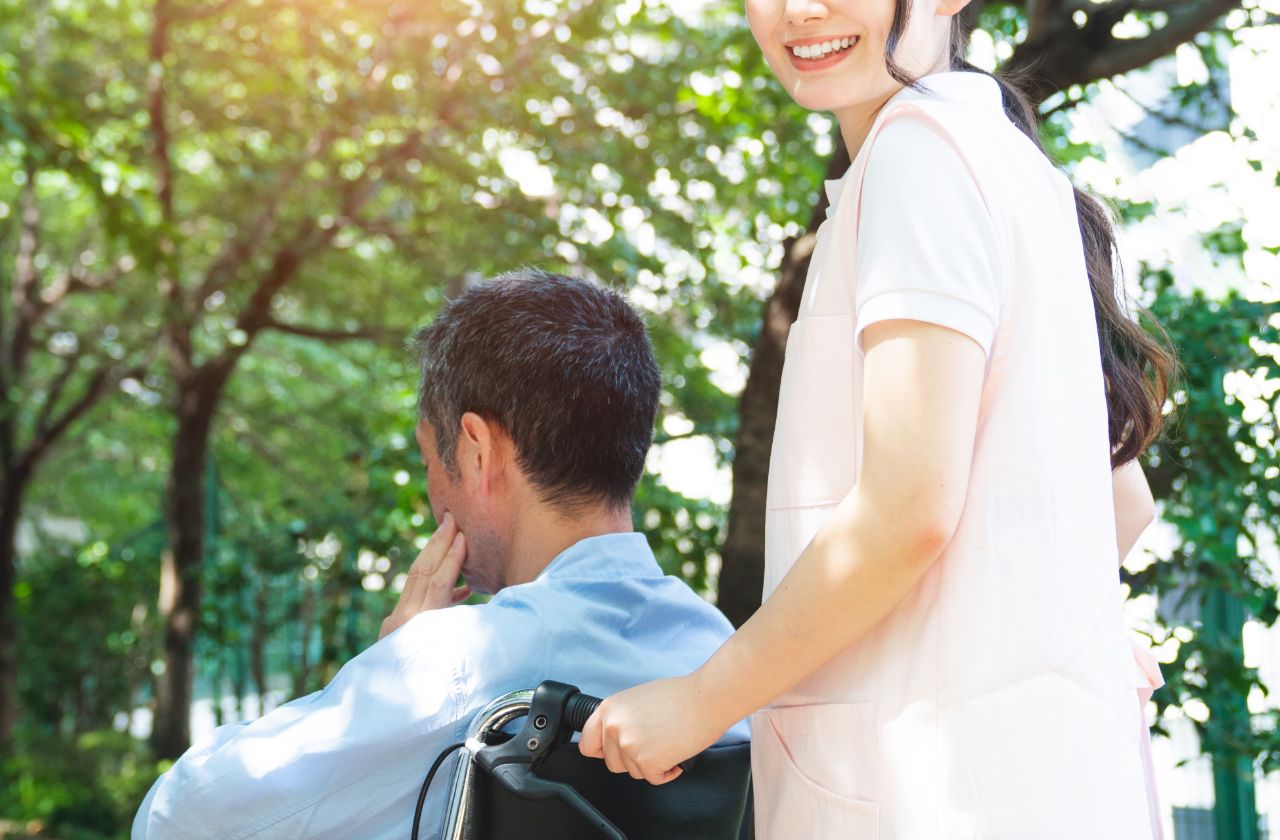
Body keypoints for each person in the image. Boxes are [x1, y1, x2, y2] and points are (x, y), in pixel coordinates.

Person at [579, 1, 1177, 838]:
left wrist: (701, 700)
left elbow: (906, 506)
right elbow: (1123, 504)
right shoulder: (1008, 164)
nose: (798, 10)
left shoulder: (918, 158)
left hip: (934, 798)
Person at [132, 270, 748, 840]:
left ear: (478, 451)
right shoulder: (724, 655)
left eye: (431, 461)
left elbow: (179, 815)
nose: (434, 492)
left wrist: (394, 660)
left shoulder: (456, 665)